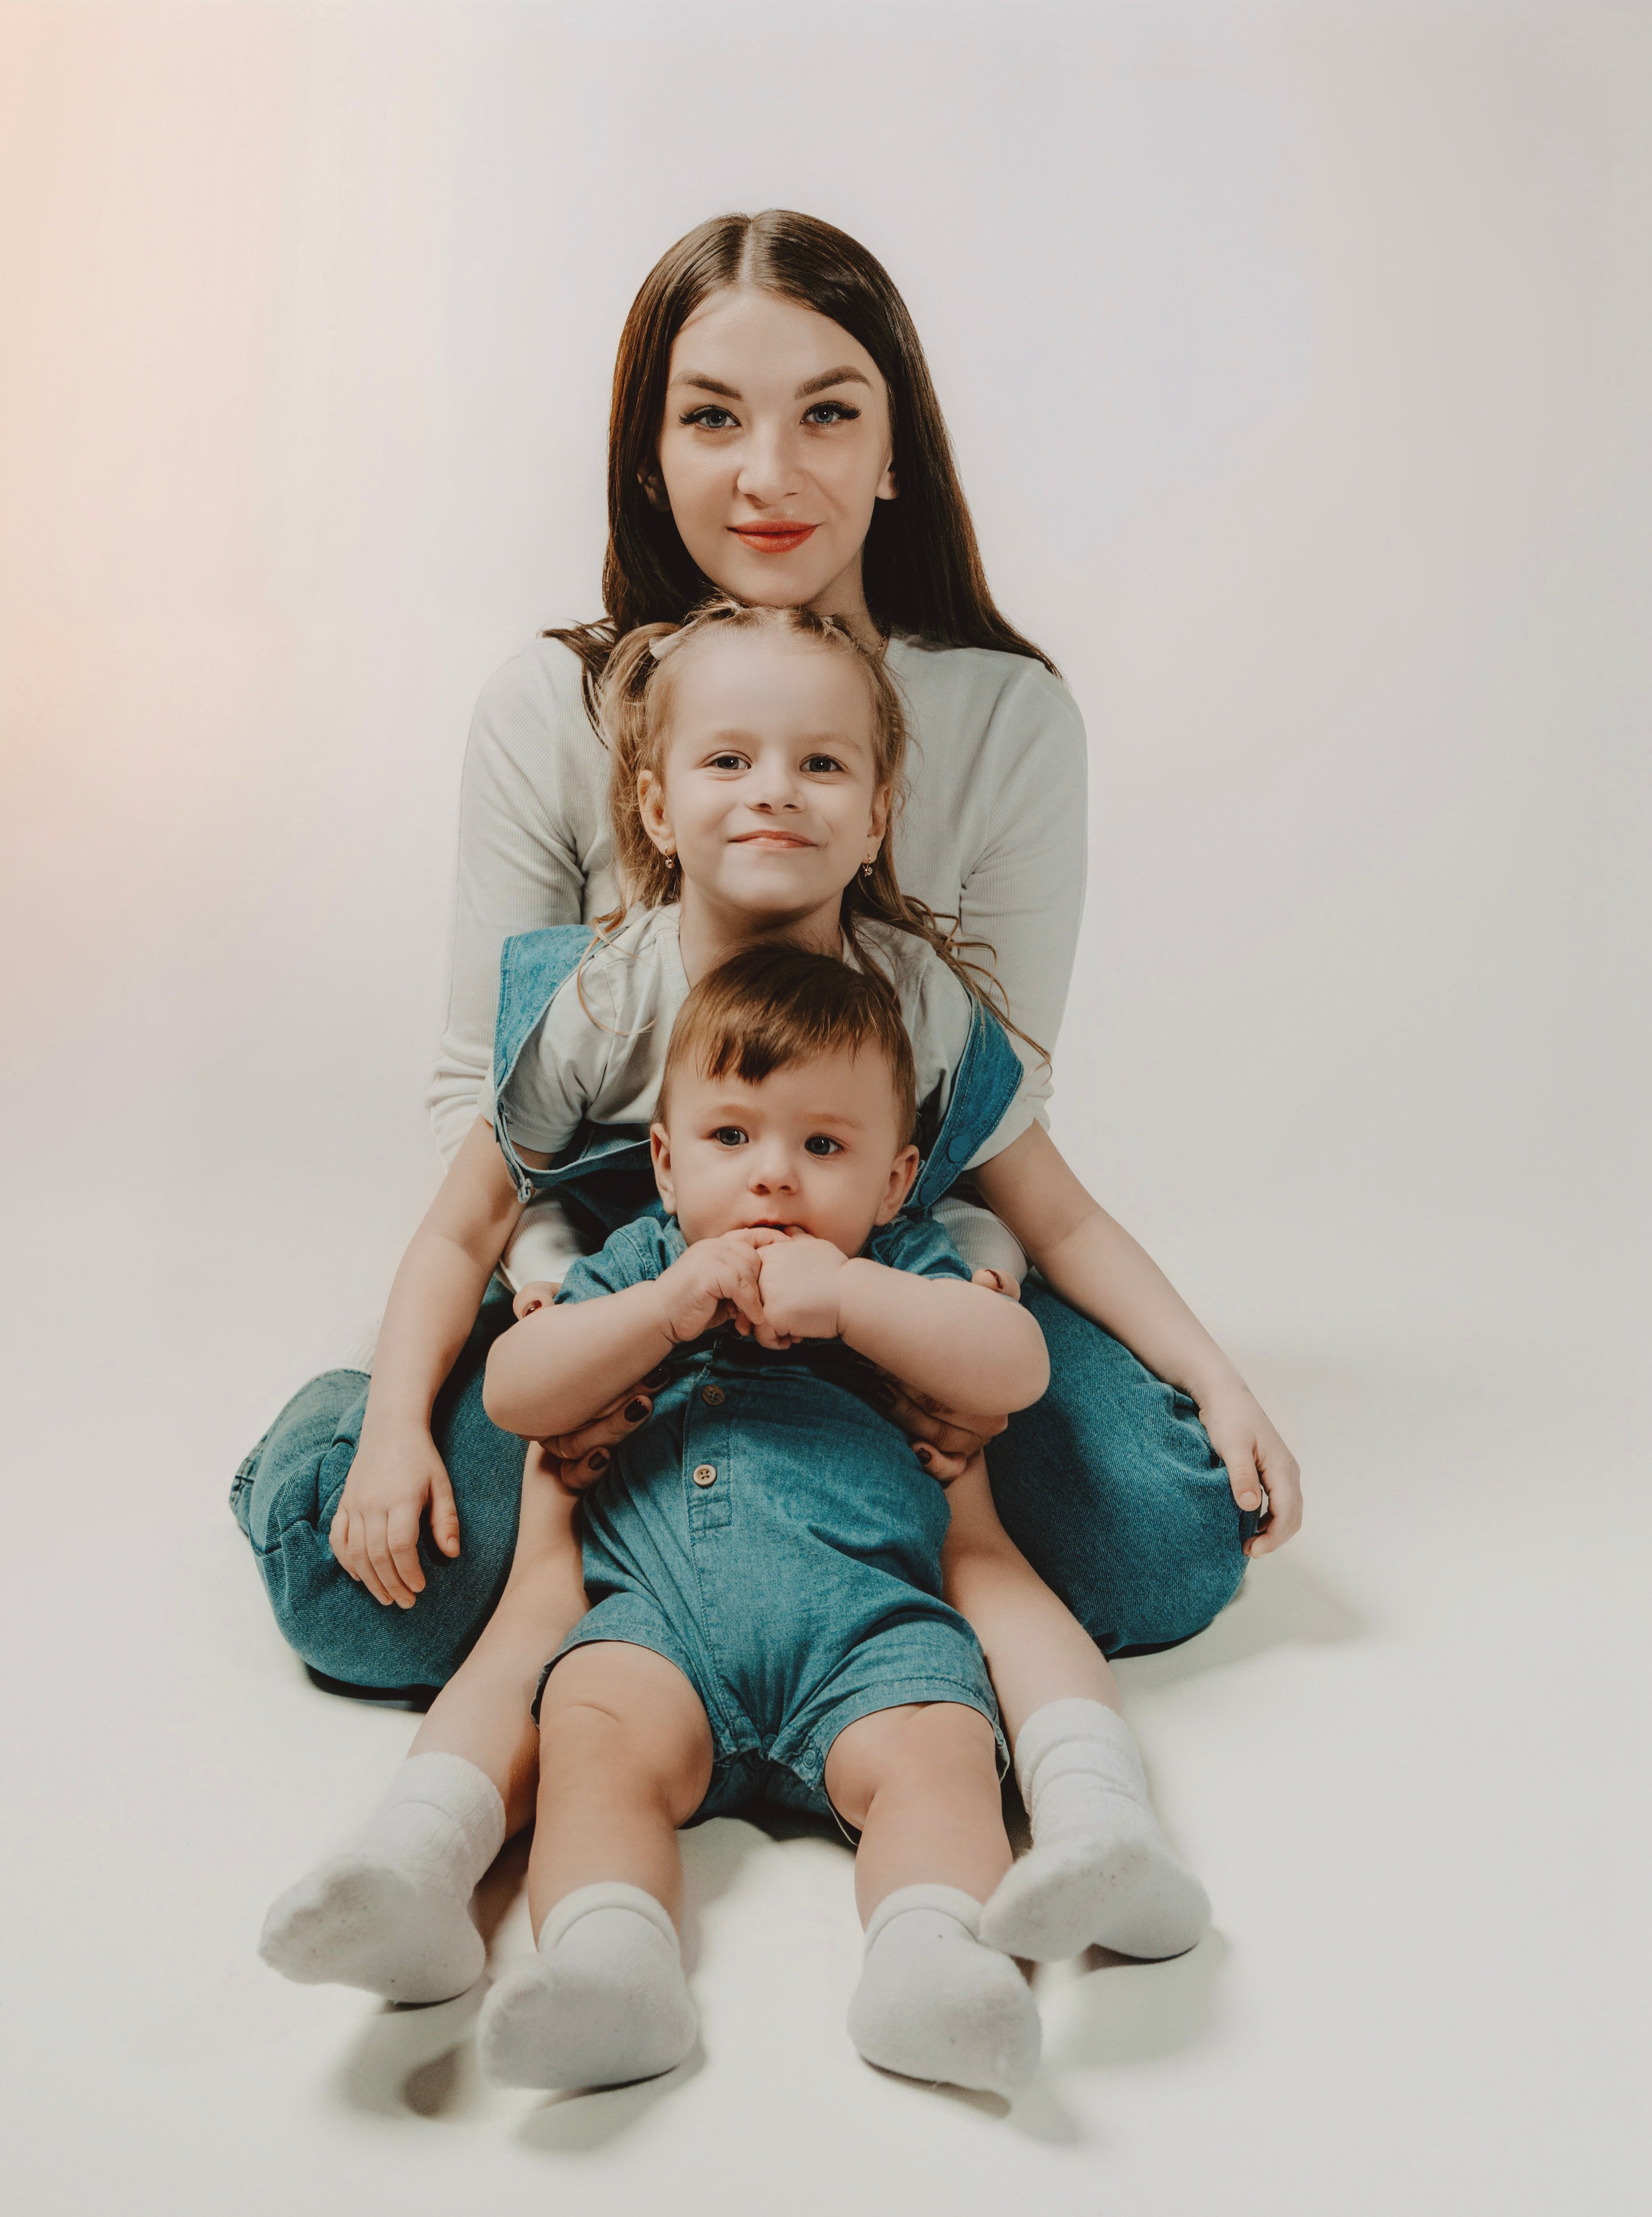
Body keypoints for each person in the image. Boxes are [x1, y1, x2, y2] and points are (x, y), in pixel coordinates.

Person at [231, 208, 1302, 1715]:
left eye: (827, 413)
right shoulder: (553, 709)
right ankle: (490, 1470)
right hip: (610, 1259)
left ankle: (807, 1558)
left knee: (1160, 1550)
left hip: (884, 1243)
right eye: (712, 416)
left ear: (894, 448)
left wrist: (938, 1316)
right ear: (647, 452)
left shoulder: (1002, 718)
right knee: (372, 1610)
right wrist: (565, 1305)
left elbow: (1001, 1138)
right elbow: (480, 1114)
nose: (769, 473)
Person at [258, 605, 1240, 2066]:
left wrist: (1209, 1381)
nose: (773, 789)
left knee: (1146, 1537)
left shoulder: (918, 1016)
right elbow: (465, 1232)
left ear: (877, 809)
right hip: (611, 1361)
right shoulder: (605, 998)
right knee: (403, 1602)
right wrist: (412, 1423)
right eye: (726, 757)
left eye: (819, 765)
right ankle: (589, 1950)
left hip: (861, 1458)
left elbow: (1062, 1230)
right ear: (653, 803)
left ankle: (941, 1957)